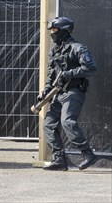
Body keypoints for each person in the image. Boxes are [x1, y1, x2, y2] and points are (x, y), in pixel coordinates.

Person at [39, 17, 98, 171]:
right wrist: (45, 92)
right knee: (48, 125)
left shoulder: (78, 48)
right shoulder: (54, 50)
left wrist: (69, 73)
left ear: (64, 30)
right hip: (58, 93)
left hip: (74, 91)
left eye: (55, 30)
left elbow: (91, 68)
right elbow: (51, 74)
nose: (52, 33)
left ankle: (88, 154)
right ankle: (59, 159)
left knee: (67, 122)